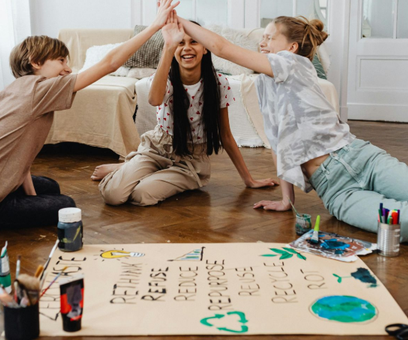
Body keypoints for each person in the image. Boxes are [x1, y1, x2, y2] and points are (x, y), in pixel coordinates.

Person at [151, 0, 408, 241]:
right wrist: (287, 199)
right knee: (401, 225)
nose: (262, 41)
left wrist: (175, 18)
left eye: (270, 37)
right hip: (337, 191)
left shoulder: (293, 64)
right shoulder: (265, 83)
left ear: (292, 47)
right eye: (262, 36)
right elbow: (277, 141)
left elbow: (222, 48)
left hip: (363, 159)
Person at [0, 0, 179, 231]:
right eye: (61, 61)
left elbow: (19, 154)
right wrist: (154, 26)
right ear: (35, 62)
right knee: (64, 205)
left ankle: (9, 199)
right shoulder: (40, 89)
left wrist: (32, 199)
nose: (67, 68)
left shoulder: (11, 91)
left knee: (49, 188)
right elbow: (110, 63)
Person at [94, 10, 278, 206]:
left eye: (194, 42)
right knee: (113, 195)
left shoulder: (219, 84)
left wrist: (249, 180)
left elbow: (225, 134)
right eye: (180, 43)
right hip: (156, 150)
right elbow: (155, 99)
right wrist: (168, 46)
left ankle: (131, 169)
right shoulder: (165, 79)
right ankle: (130, 167)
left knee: (140, 195)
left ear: (205, 48)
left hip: (190, 163)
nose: (187, 48)